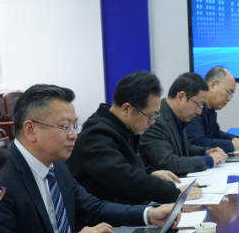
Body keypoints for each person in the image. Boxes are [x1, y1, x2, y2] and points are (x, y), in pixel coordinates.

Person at [0, 84, 176, 233]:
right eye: (64, 127)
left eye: (75, 126)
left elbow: (92, 207)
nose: (74, 135)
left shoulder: (57, 164)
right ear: (31, 129)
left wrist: (148, 214)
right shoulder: (0, 179)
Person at [70, 71, 202, 205]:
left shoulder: (124, 128)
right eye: (150, 116)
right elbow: (124, 180)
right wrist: (175, 193)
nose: (153, 122)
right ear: (126, 109)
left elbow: (128, 166)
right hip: (105, 215)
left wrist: (150, 173)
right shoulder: (96, 135)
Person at [141, 72, 229, 175]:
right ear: (180, 97)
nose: (199, 112)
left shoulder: (178, 116)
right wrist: (209, 160)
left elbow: (183, 149)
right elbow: (168, 163)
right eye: (198, 105)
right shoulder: (156, 120)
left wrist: (205, 151)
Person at [185, 66, 239, 152]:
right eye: (228, 92)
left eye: (231, 95)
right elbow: (196, 142)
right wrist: (232, 145)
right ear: (212, 86)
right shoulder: (195, 107)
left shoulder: (210, 109)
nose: (229, 99)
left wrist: (235, 139)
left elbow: (215, 133)